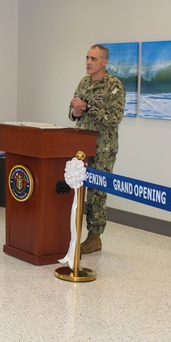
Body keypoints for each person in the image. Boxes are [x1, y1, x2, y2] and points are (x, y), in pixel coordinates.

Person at [69, 44, 126, 253]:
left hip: (103, 148)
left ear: (104, 62)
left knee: (96, 193)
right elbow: (72, 113)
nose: (88, 62)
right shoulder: (84, 83)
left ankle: (94, 238)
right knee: (76, 189)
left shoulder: (114, 85)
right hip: (81, 147)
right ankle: (73, 232)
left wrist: (88, 108)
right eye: (87, 58)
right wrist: (76, 111)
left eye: (93, 59)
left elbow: (114, 118)